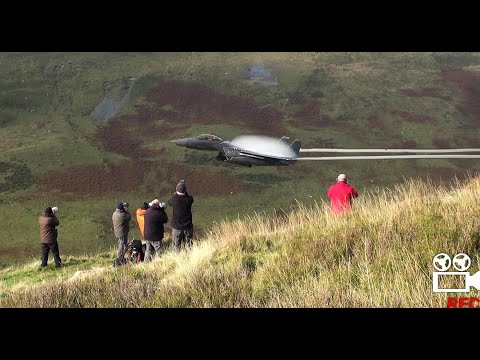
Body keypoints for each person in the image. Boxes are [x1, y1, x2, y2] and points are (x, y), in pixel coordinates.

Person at [168, 180, 195, 252]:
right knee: (189, 244)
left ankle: (177, 259)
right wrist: (184, 191)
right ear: (185, 191)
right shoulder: (189, 199)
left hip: (177, 227)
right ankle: (190, 259)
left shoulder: (174, 199)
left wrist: (175, 194)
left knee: (176, 245)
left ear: (177, 190)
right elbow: (189, 197)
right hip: (188, 227)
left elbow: (169, 203)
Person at [112, 202, 131, 266]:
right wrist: (127, 211)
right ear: (121, 209)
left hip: (117, 232)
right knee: (122, 245)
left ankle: (121, 256)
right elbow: (129, 217)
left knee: (122, 244)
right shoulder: (122, 215)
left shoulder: (114, 213)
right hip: (122, 233)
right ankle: (120, 258)